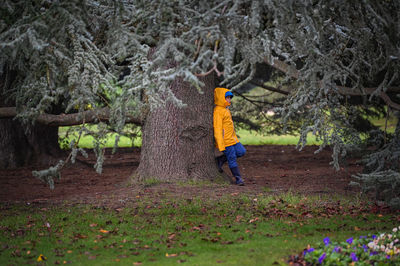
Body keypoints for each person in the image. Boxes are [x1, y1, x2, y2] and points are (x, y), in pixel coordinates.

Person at [213, 87, 246, 186]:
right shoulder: (218, 111)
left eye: (230, 98)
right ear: (221, 98)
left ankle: (221, 159)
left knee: (241, 151)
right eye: (227, 97)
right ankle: (238, 178)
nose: (229, 100)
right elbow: (217, 128)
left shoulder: (226, 109)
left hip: (233, 139)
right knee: (232, 158)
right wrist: (220, 144)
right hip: (226, 141)